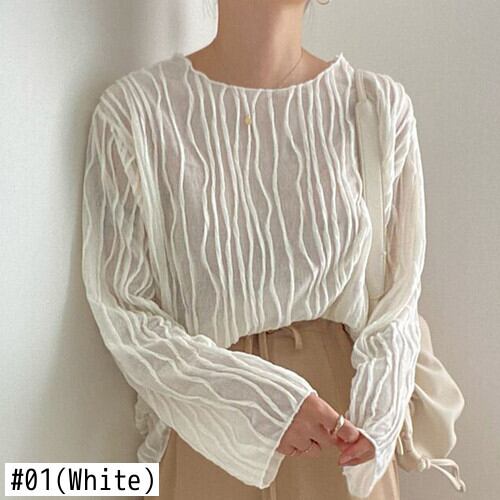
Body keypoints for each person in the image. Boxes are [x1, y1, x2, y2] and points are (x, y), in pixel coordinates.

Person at [81, 0, 426, 498]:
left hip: (345, 425)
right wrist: (259, 404)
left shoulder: (374, 108)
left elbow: (399, 297)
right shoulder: (137, 114)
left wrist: (379, 411)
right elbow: (124, 310)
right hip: (210, 429)